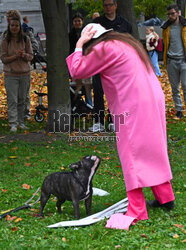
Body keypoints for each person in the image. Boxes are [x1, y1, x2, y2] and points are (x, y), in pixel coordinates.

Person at [66, 23, 175, 229]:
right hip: (153, 97)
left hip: (132, 103)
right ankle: (165, 197)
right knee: (154, 149)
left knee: (131, 153)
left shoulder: (103, 48)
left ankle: (137, 209)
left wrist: (80, 44)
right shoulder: (125, 42)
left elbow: (77, 70)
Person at [90, 0, 132, 132]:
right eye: (105, 5)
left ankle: (114, 120)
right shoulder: (97, 23)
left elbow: (130, 43)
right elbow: (91, 42)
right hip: (100, 62)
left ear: (115, 6)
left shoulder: (124, 23)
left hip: (118, 63)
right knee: (98, 91)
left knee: (116, 93)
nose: (108, 8)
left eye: (110, 5)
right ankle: (98, 121)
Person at [0, 17, 33, 132]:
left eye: (17, 25)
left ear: (20, 27)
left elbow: (31, 56)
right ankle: (13, 123)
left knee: (22, 99)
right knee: (12, 100)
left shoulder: (26, 39)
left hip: (25, 73)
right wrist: (15, 56)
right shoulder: (6, 40)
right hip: (11, 74)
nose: (14, 27)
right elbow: (3, 58)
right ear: (9, 27)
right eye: (12, 25)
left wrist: (24, 56)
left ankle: (21, 122)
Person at [161, 4, 186, 119]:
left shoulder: (184, 26)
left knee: (185, 86)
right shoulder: (166, 27)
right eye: (169, 14)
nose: (170, 16)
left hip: (184, 61)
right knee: (174, 88)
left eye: (172, 13)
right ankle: (179, 109)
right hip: (171, 61)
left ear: (178, 13)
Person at [69, 13, 93, 106]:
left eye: (79, 21)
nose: (77, 23)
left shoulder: (86, 34)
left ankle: (89, 105)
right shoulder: (70, 35)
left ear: (82, 22)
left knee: (87, 84)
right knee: (76, 84)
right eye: (75, 21)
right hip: (75, 62)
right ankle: (76, 105)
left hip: (86, 62)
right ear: (73, 23)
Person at [22, 16, 39, 119]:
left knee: (25, 92)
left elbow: (35, 46)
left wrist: (26, 52)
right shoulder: (7, 34)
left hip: (25, 66)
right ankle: (15, 116)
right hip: (12, 69)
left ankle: (26, 113)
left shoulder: (27, 32)